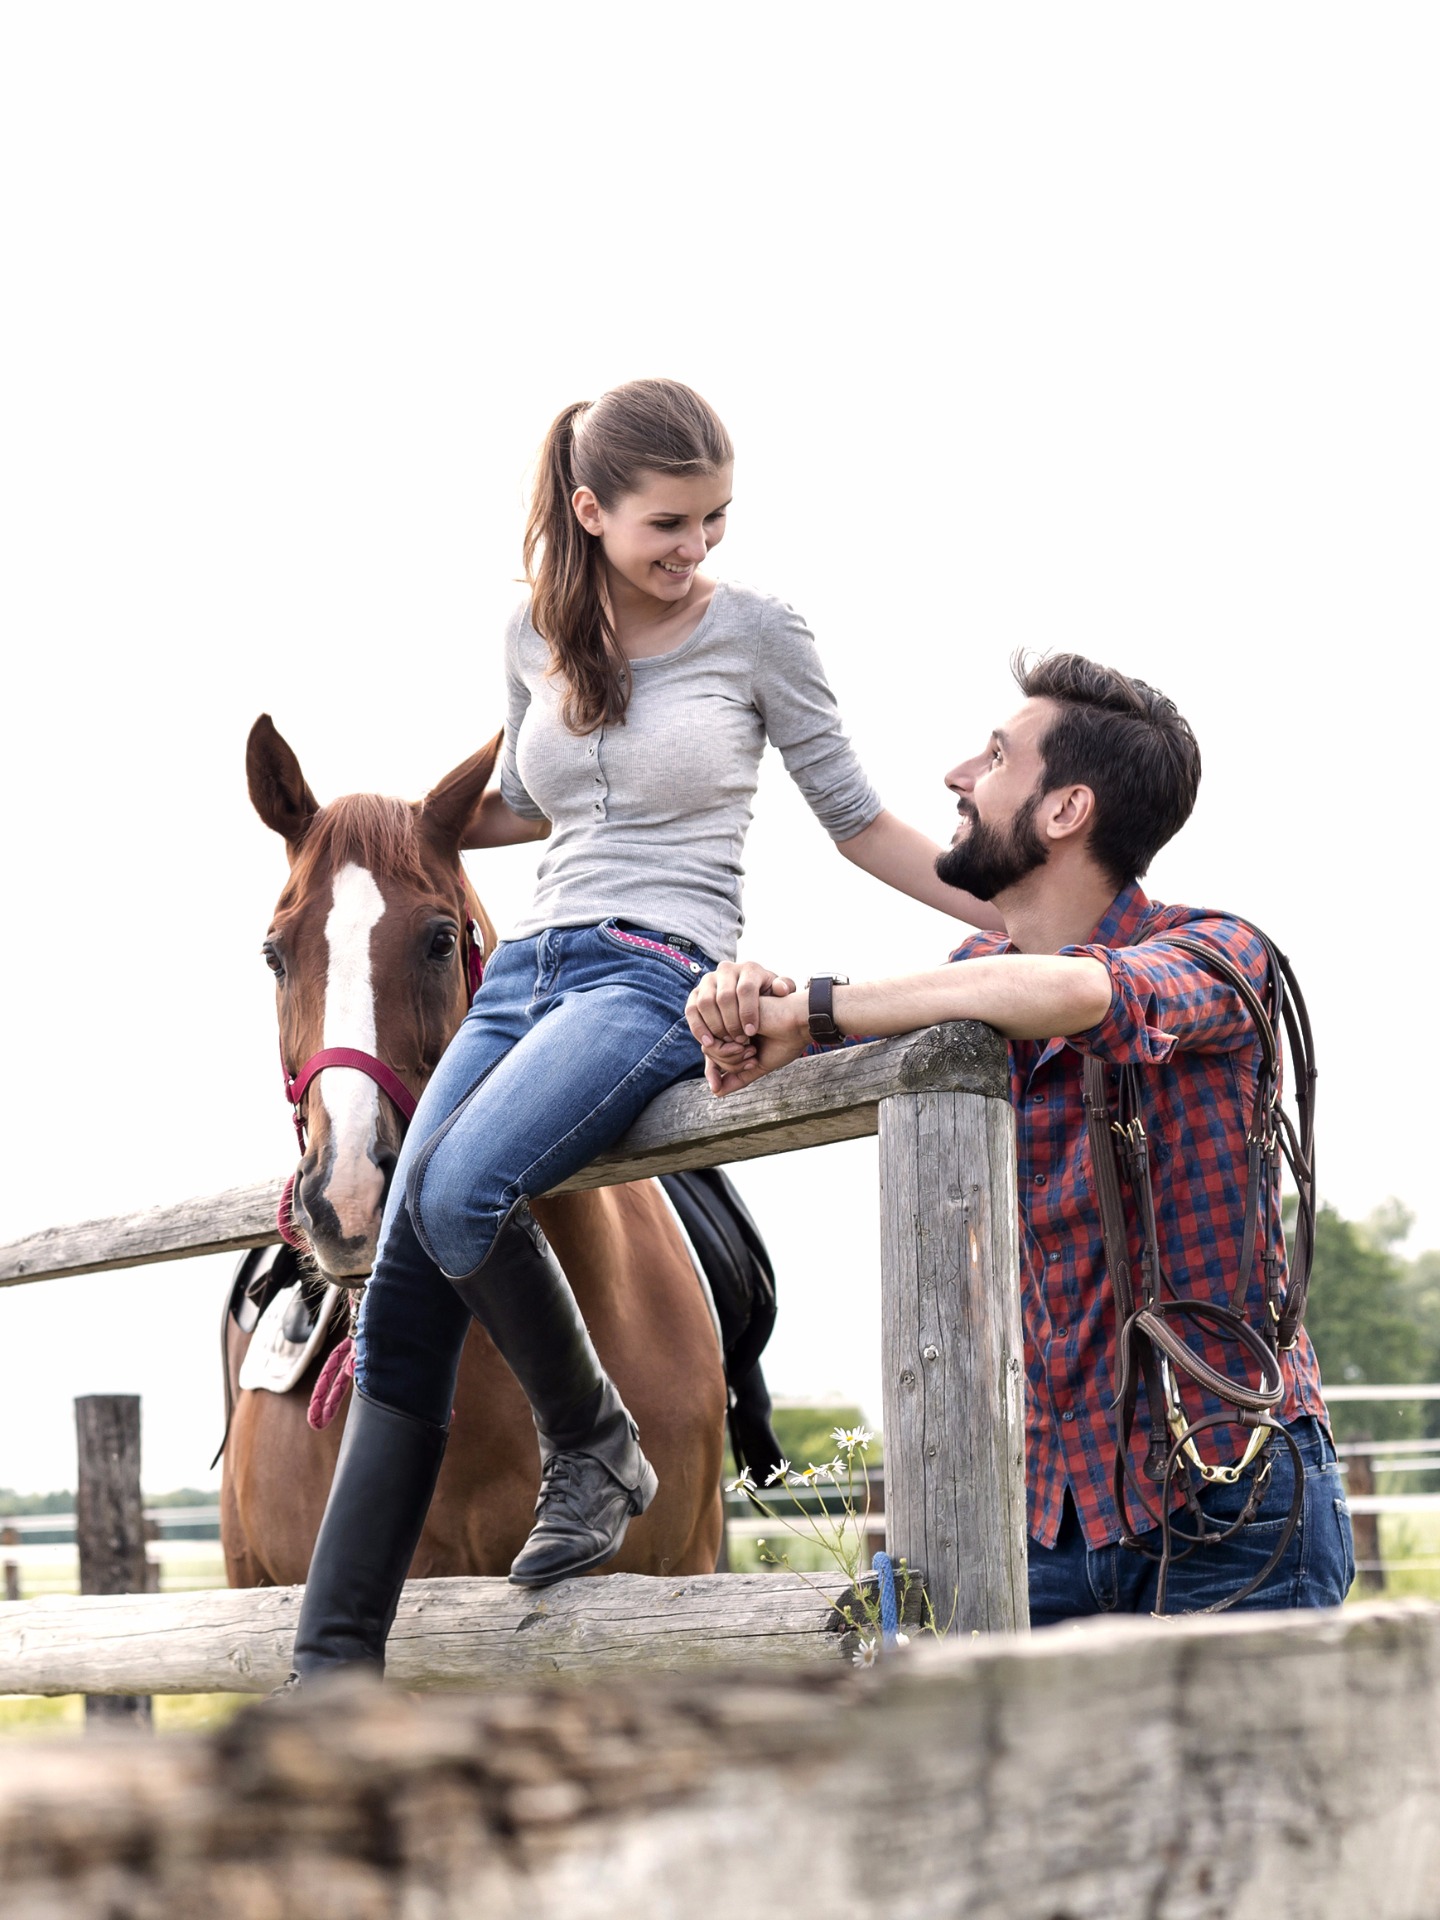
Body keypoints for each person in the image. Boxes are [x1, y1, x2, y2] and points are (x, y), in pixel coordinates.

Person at [287, 377, 997, 1683]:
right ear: (591, 510)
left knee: (461, 1195)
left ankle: (596, 1441)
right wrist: (376, 840)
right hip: (525, 976)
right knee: (403, 1257)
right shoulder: (530, 632)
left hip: (653, 969)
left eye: (715, 520)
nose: (696, 549)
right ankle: (328, 1672)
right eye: (670, 524)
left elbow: (859, 819)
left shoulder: (761, 634)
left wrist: (1018, 911)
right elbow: (516, 801)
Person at [686, 652, 1354, 1622]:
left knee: (1245, 1781)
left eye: (995, 758)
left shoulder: (1219, 952)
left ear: (1063, 810)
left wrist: (820, 1007)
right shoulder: (967, 982)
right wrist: (749, 999)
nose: (960, 775)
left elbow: (1087, 991)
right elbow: (922, 1002)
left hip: (1229, 1496)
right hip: (1049, 1522)